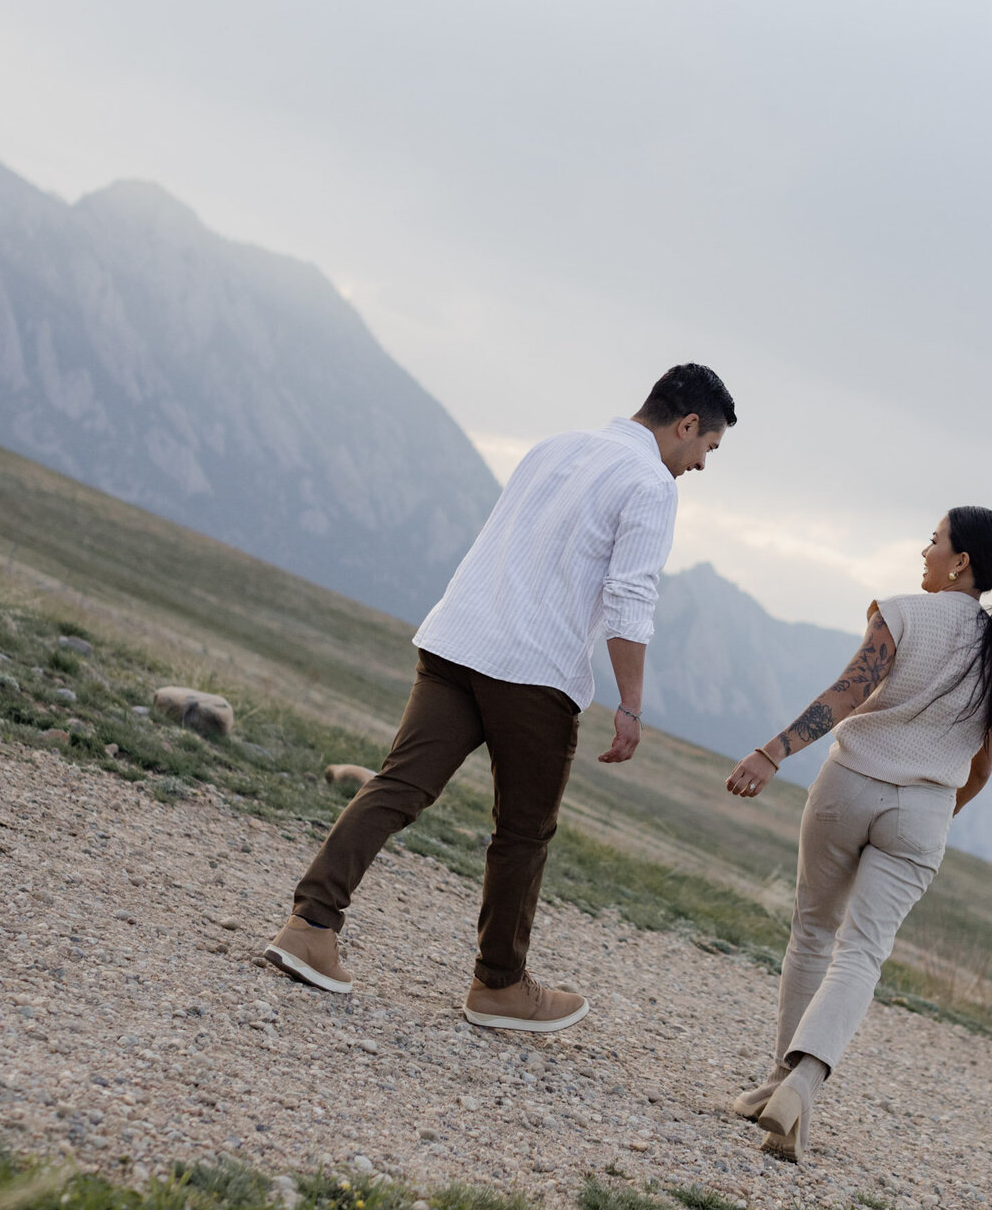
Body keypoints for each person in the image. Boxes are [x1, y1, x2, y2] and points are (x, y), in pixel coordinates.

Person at [262, 363, 737, 1033]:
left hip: (458, 641)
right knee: (522, 833)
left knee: (399, 785)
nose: (700, 464)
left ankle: (308, 926)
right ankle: (499, 986)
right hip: (533, 672)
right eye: (707, 449)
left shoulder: (555, 446)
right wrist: (631, 705)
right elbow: (631, 597)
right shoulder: (649, 484)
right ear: (687, 425)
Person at [724, 504, 992, 1159]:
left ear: (960, 562)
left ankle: (785, 1079)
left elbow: (845, 694)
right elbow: (981, 765)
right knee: (863, 951)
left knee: (814, 930)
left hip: (849, 785)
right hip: (923, 810)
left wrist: (773, 751)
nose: (923, 551)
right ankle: (799, 1085)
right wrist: (932, 813)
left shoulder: (900, 612)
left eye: (934, 541)